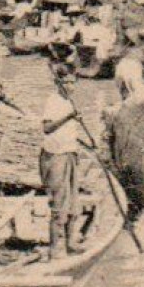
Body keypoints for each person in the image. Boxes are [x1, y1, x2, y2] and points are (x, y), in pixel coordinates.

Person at [39, 60, 87, 260]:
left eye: (73, 83)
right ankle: (54, 248)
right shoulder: (54, 101)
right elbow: (47, 128)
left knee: (74, 202)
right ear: (58, 83)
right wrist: (69, 117)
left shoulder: (68, 101)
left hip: (70, 153)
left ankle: (70, 243)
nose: (70, 87)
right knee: (59, 202)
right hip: (56, 156)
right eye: (66, 83)